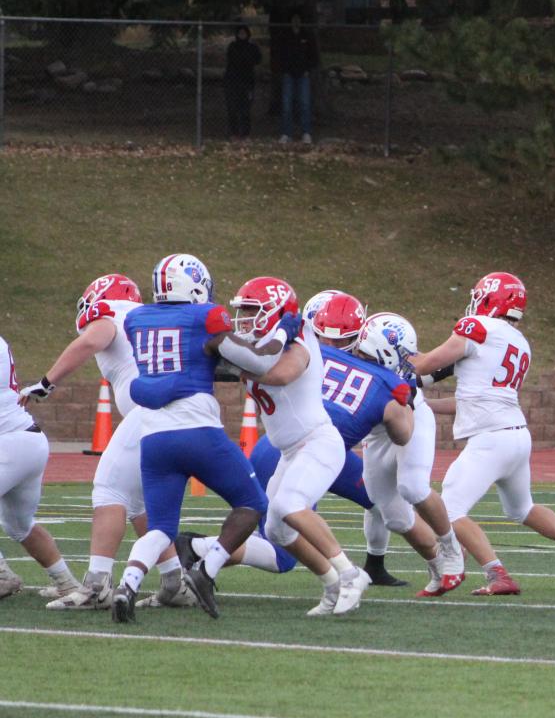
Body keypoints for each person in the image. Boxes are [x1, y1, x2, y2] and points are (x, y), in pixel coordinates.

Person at [406, 271, 555, 596]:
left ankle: (497, 574)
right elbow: (473, 398)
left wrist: (395, 352)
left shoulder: (476, 327)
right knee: (523, 509)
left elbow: (426, 363)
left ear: (490, 298)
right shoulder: (519, 342)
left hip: (491, 439)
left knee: (449, 510)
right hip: (516, 436)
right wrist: (426, 404)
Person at [113, 254, 269, 623]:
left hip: (153, 437)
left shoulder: (136, 319)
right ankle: (207, 570)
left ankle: (128, 584)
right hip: (197, 429)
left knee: (160, 528)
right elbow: (254, 363)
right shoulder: (206, 316)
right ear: (196, 284)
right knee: (252, 502)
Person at [19, 274, 183, 610]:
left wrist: (46, 383)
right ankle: (175, 581)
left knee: (108, 489)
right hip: (175, 410)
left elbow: (91, 341)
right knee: (136, 503)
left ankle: (97, 586)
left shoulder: (112, 313)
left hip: (150, 412)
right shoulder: (145, 317)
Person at [222, 277, 373, 616]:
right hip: (290, 451)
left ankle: (351, 574)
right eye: (242, 310)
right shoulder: (263, 342)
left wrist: (238, 355)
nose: (243, 318)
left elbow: (279, 375)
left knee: (291, 503)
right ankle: (332, 584)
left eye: (251, 310)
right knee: (275, 529)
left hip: (318, 441)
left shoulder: (301, 335)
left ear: (277, 312)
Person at [347, 309, 466, 599]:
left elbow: (406, 423)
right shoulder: (353, 355)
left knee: (412, 486)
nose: (361, 358)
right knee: (393, 517)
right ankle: (436, 564)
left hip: (410, 423)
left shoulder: (402, 377)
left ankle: (452, 549)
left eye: (368, 355)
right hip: (376, 437)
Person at [0, 333, 83, 602]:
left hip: (9, 442)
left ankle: (1, 575)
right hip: (28, 440)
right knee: (19, 524)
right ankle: (67, 584)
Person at [275, 13, 318, 144]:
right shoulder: (285, 36)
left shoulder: (307, 35)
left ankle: (306, 132)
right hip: (288, 74)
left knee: (304, 103)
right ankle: (286, 133)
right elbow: (279, 54)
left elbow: (314, 56)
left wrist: (307, 69)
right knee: (286, 104)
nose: (296, 21)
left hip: (303, 75)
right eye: (294, 19)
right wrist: (284, 69)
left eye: (298, 19)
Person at [224, 25, 261, 140]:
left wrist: (246, 60)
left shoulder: (252, 47)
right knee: (232, 108)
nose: (242, 35)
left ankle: (245, 134)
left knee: (245, 109)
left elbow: (257, 59)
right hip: (233, 81)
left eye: (244, 33)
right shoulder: (233, 46)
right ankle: (234, 133)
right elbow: (234, 60)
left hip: (247, 82)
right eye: (240, 33)